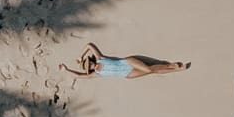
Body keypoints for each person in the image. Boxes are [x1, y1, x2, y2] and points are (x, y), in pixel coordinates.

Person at [58, 42, 190, 79]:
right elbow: (79, 76)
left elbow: (89, 45)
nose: (90, 65)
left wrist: (81, 56)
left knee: (149, 68)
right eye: (88, 66)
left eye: (89, 62)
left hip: (127, 62)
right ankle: (174, 69)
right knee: (151, 72)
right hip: (127, 74)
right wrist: (66, 70)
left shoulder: (99, 58)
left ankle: (174, 67)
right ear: (89, 69)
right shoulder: (95, 74)